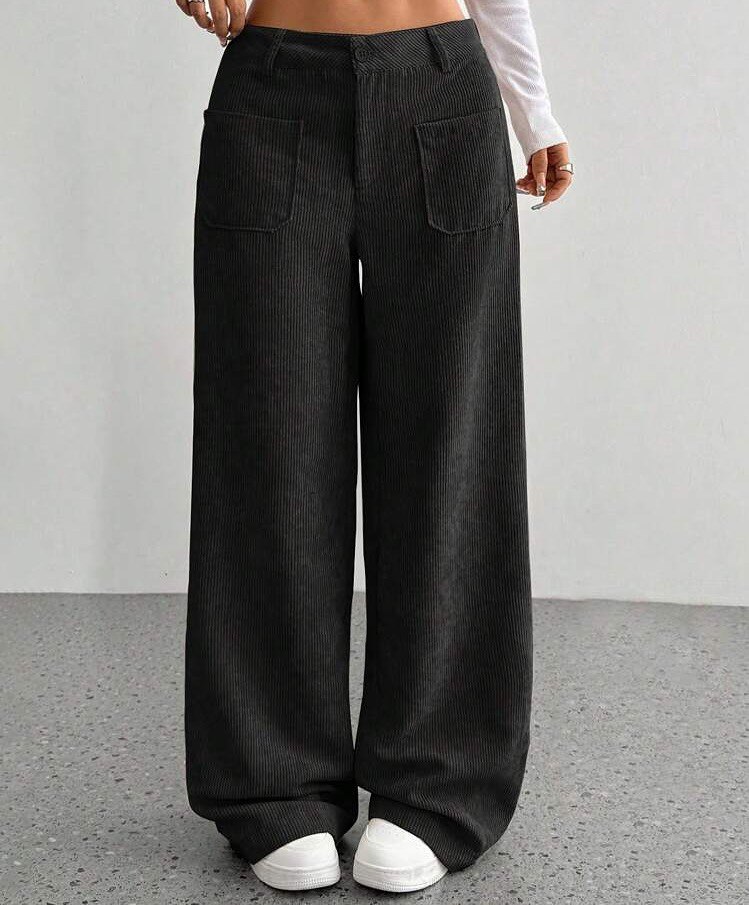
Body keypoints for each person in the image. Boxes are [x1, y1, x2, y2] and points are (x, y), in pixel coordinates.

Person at [176, 0, 572, 893]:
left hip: (442, 94)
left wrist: (532, 107)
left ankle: (436, 781)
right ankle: (273, 782)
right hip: (271, 91)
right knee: (266, 440)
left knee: (451, 444)